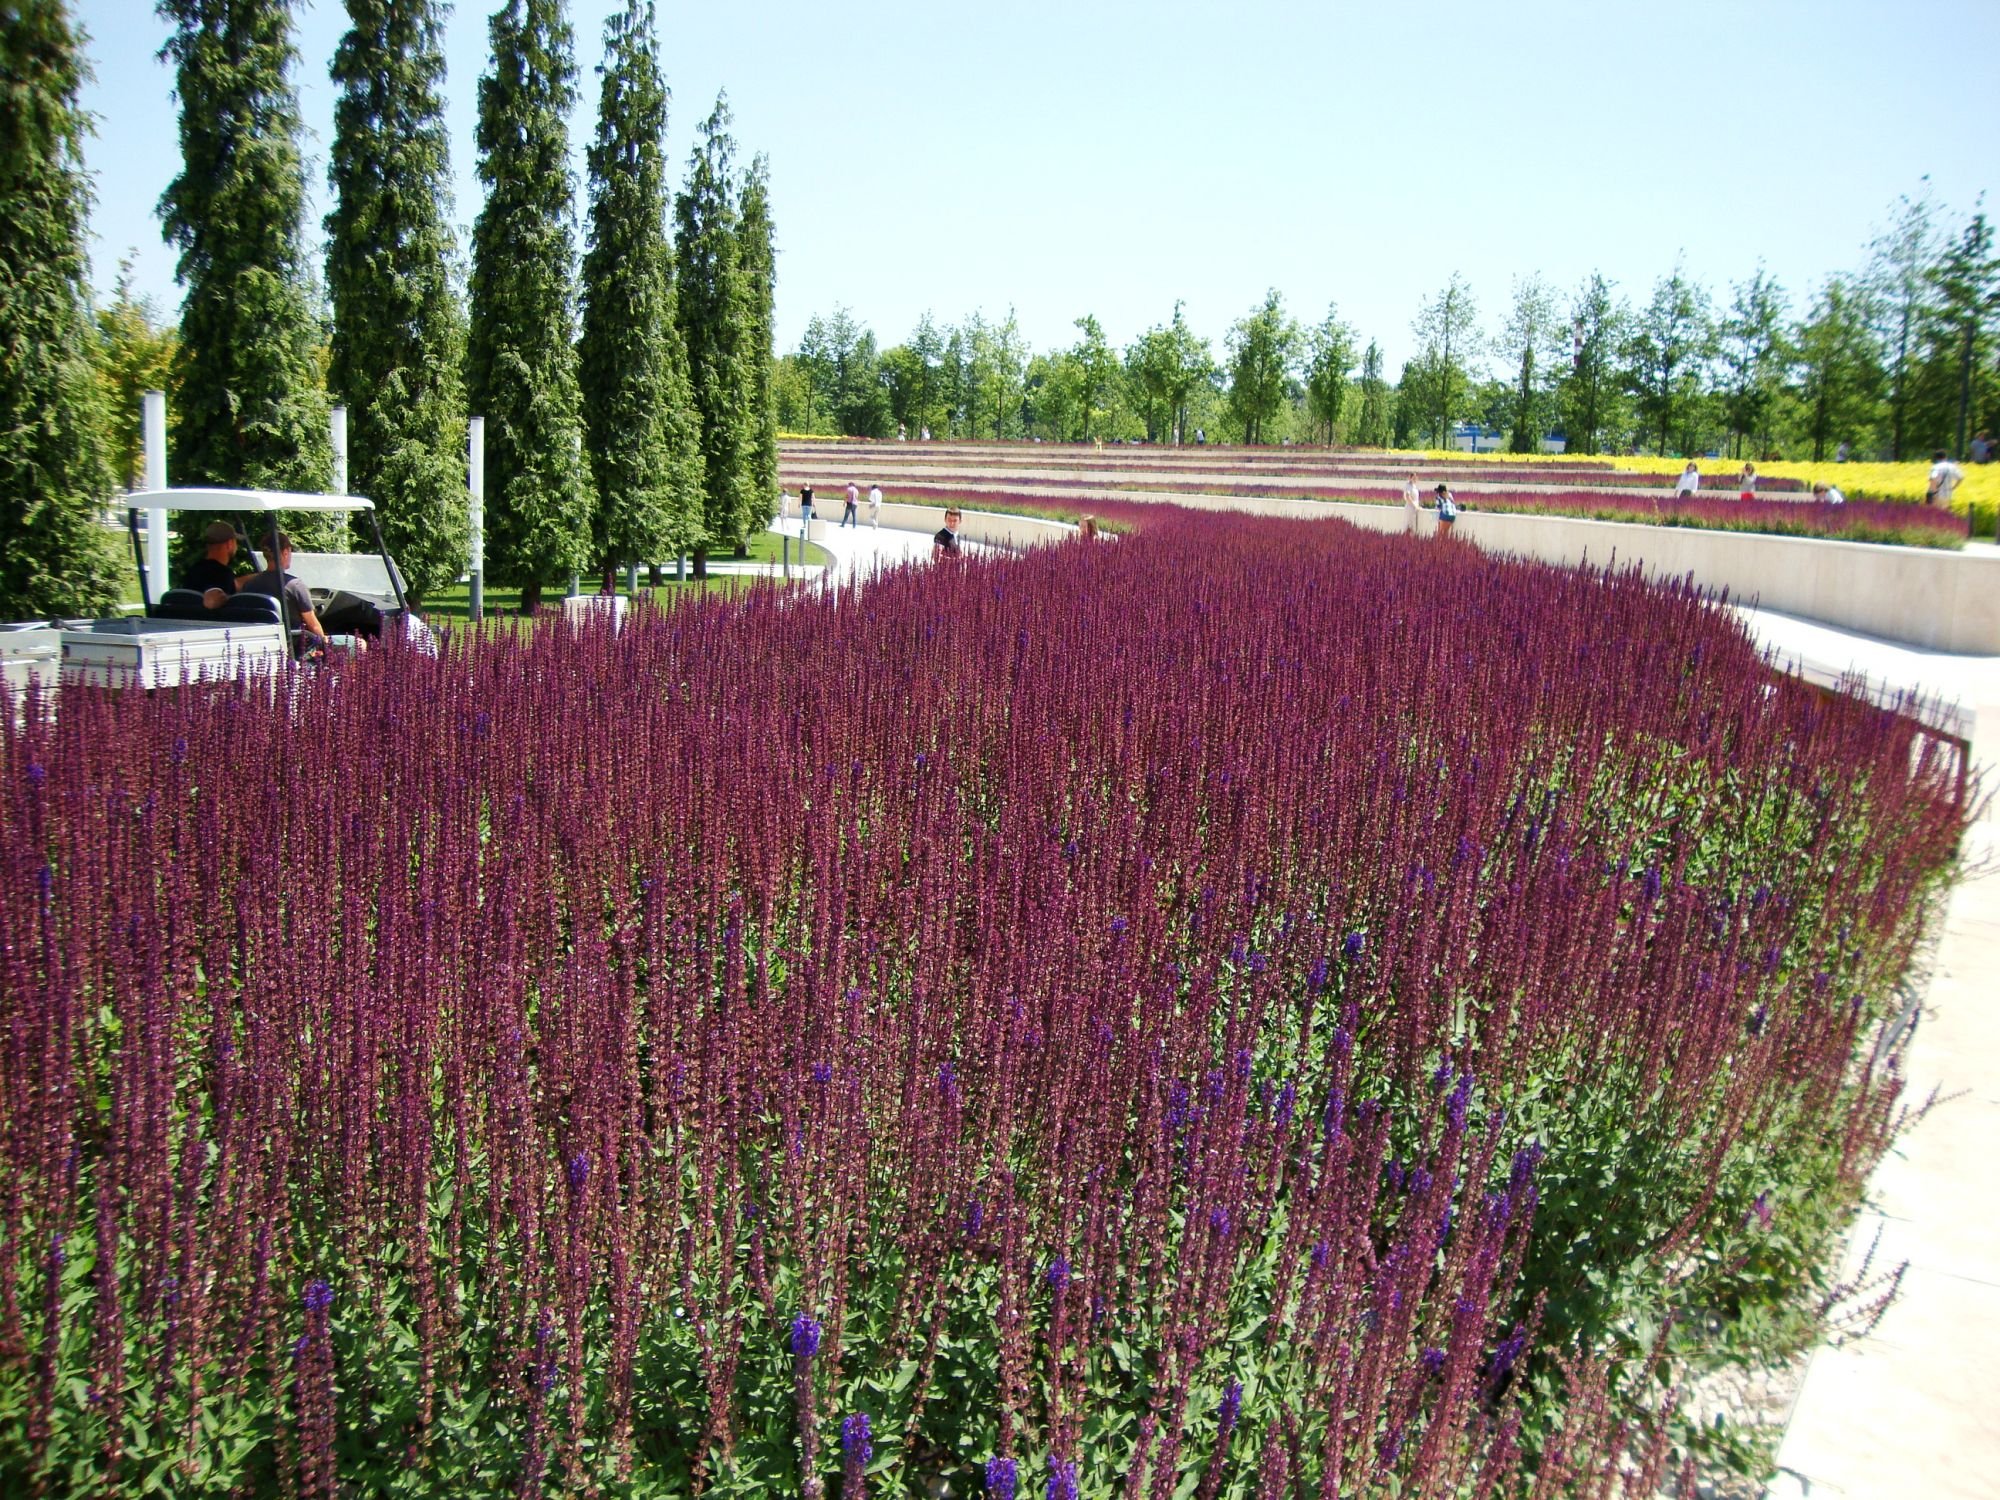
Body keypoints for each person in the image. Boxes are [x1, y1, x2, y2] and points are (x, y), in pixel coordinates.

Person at [237, 532, 331, 651]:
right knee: (358, 643)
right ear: (285, 552)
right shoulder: (295, 585)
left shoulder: (250, 585)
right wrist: (325, 645)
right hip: (296, 646)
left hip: (264, 644)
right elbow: (314, 626)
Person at [180, 520, 242, 602]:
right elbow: (214, 601)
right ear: (229, 544)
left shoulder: (193, 570)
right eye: (236, 542)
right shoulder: (223, 574)